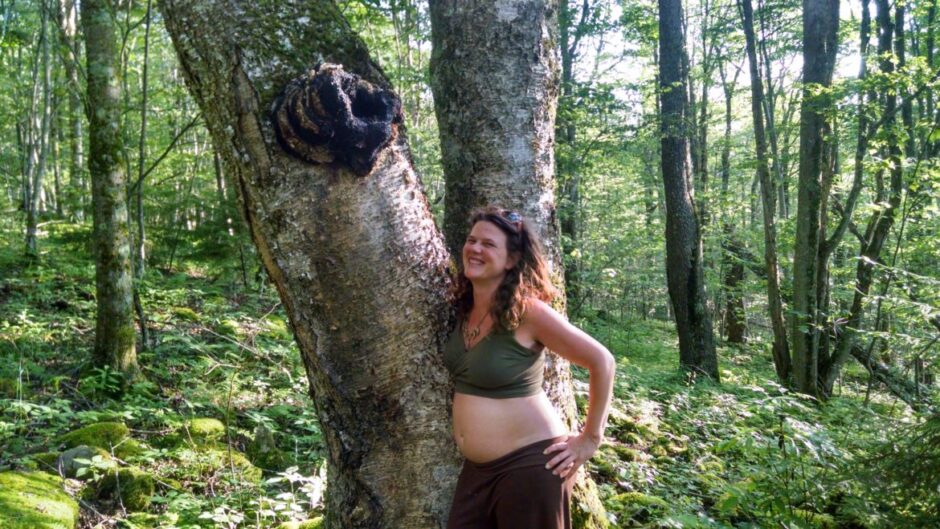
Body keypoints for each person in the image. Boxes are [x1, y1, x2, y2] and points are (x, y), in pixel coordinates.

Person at [444, 206, 615, 529]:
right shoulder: (463, 308)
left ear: (510, 260)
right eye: (471, 240)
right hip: (476, 473)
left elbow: (601, 361)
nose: (475, 249)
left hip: (530, 466)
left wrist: (590, 438)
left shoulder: (529, 312)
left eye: (489, 244)